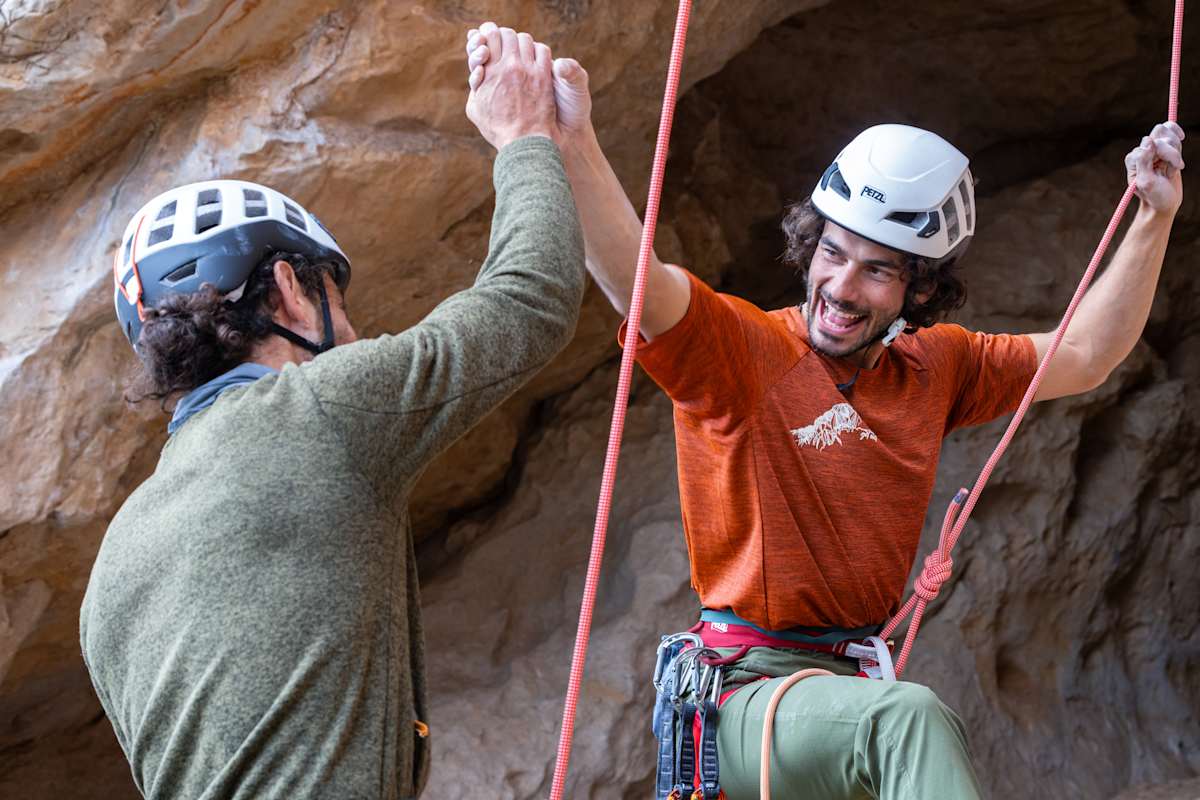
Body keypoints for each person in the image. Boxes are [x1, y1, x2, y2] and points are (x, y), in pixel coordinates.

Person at [465, 22, 1185, 800]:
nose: (842, 286)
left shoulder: (934, 370)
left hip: (845, 688)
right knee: (906, 722)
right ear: (808, 246)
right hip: (744, 695)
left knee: (891, 718)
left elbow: (1085, 353)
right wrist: (571, 144)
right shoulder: (748, 354)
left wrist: (1154, 217)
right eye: (832, 252)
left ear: (917, 291)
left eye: (878, 270)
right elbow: (639, 278)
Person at [80, 30, 584, 800]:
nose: (353, 332)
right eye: (339, 305)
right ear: (287, 286)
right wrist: (524, 134)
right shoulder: (321, 409)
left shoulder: (109, 572)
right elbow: (532, 297)